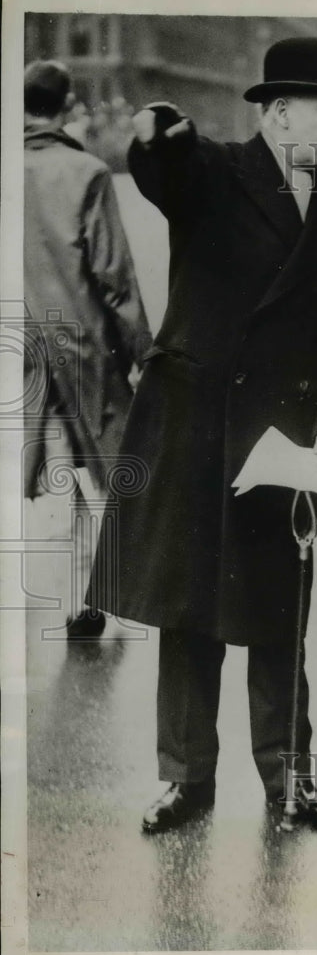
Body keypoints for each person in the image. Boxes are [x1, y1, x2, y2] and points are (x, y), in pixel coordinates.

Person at [86, 38, 317, 832]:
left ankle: (289, 777)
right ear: (278, 115)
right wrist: (156, 136)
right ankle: (186, 778)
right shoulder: (215, 172)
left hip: (281, 448)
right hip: (197, 430)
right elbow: (167, 173)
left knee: (282, 611)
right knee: (189, 610)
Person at [23, 60, 151, 639]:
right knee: (91, 474)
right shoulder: (87, 172)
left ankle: (64, 597)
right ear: (67, 104)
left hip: (21, 349)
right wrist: (143, 353)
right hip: (81, 348)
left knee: (47, 471)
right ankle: (85, 598)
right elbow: (114, 279)